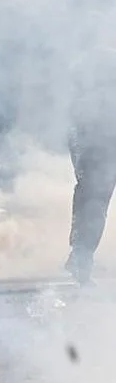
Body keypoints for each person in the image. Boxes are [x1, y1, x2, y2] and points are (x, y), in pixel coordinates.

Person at [65, 48, 116, 285]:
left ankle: (80, 256)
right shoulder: (92, 85)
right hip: (95, 143)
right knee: (93, 199)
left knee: (94, 200)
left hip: (100, 141)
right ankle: (80, 256)